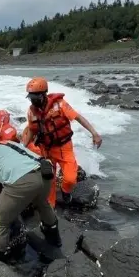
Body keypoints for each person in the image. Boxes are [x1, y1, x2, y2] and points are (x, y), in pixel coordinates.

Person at [21, 76, 103, 207]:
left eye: (35, 97)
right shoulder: (32, 112)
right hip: (46, 150)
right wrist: (22, 147)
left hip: (64, 147)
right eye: (31, 98)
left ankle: (66, 191)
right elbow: (31, 129)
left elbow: (78, 118)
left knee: (70, 178)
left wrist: (94, 133)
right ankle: (50, 208)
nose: (33, 101)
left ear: (43, 94)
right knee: (49, 180)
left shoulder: (60, 105)